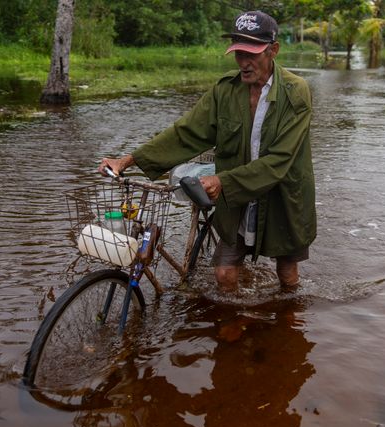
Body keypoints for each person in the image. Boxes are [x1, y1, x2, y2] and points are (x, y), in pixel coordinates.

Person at [98, 10, 316, 293]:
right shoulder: (225, 90)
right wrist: (128, 160)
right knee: (225, 273)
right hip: (235, 196)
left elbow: (279, 160)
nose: (244, 63)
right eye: (239, 53)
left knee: (287, 272)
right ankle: (234, 328)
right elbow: (186, 132)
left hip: (282, 195)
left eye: (252, 54)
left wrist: (222, 181)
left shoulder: (295, 92)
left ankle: (285, 330)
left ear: (273, 50)